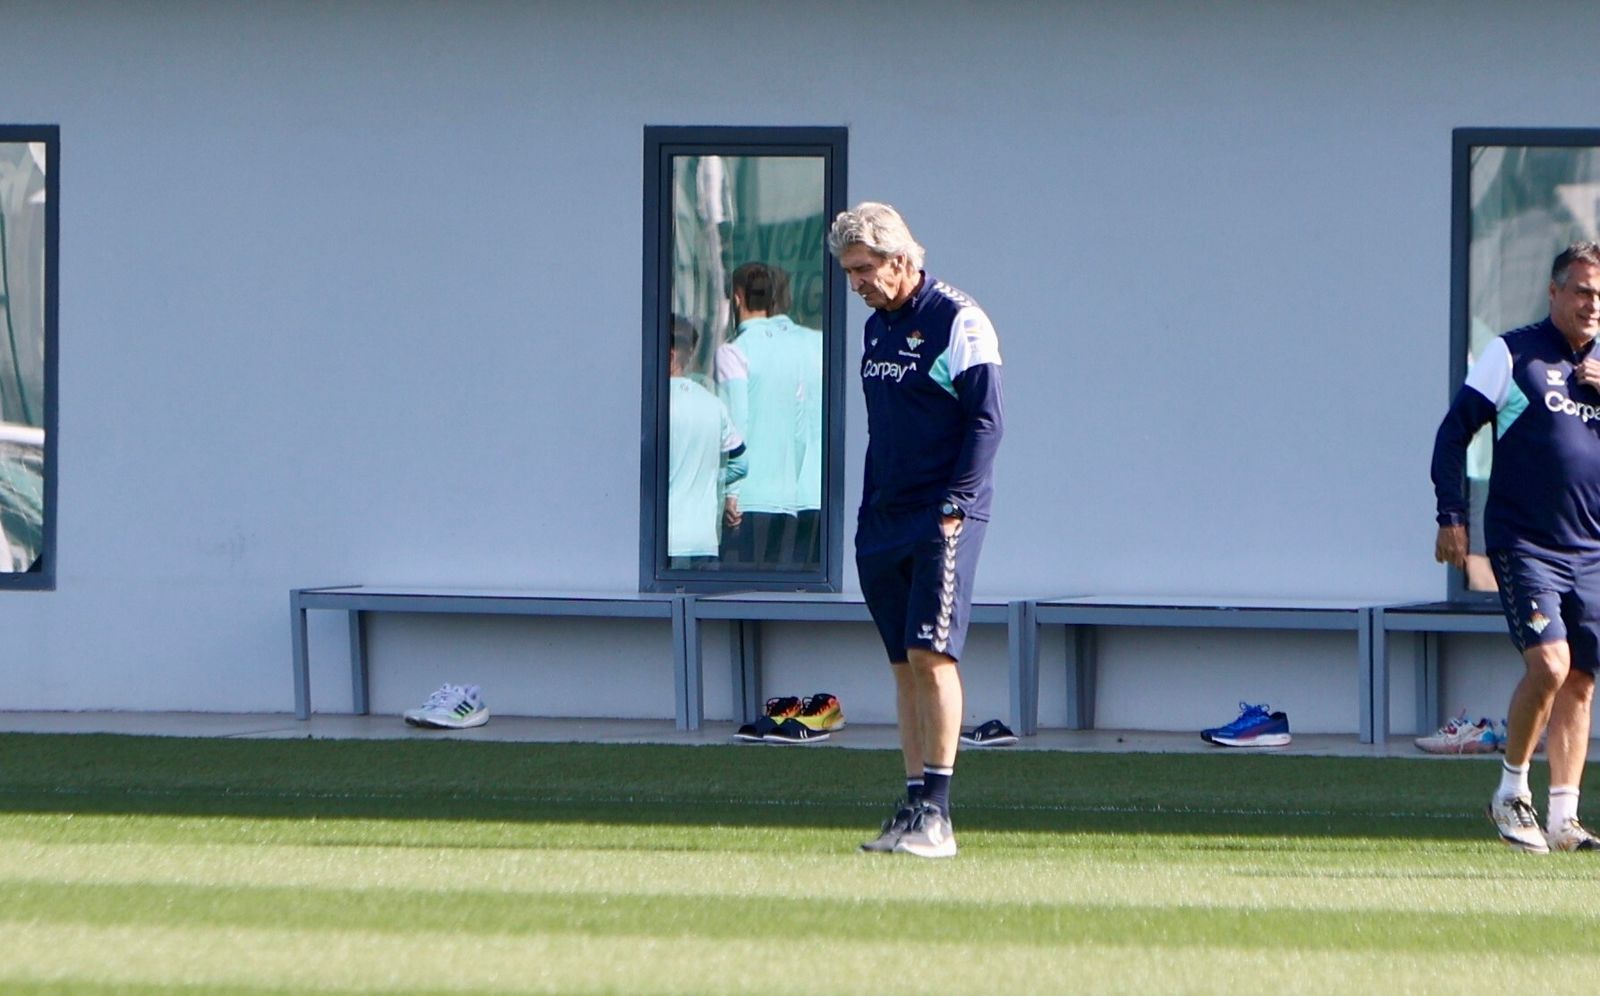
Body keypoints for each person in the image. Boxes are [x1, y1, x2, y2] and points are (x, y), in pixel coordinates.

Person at [827, 202, 1003, 858]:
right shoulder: (876, 330)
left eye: (864, 270)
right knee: (903, 663)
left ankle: (940, 811)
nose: (857, 285)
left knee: (933, 655)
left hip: (941, 515)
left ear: (901, 259)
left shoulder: (958, 319)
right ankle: (911, 803)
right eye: (849, 274)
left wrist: (957, 501)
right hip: (884, 518)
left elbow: (986, 421)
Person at [1432, 241, 1600, 853]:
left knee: (1581, 679)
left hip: (1591, 550)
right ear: (1554, 292)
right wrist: (1452, 516)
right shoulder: (1514, 353)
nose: (1592, 305)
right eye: (1581, 291)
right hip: (1525, 542)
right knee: (1550, 665)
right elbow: (1454, 434)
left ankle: (1564, 817)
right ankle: (1511, 791)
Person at [715, 262, 810, 568]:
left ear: (738, 298)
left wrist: (731, 492)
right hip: (785, 498)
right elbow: (800, 431)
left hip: (746, 499)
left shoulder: (733, 351)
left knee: (734, 602)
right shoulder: (792, 351)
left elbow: (736, 422)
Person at [667, 316, 746, 566]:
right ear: (687, 353)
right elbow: (740, 463)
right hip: (704, 541)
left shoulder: (650, 407)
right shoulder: (715, 405)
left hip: (662, 543)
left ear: (669, 354)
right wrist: (714, 483)